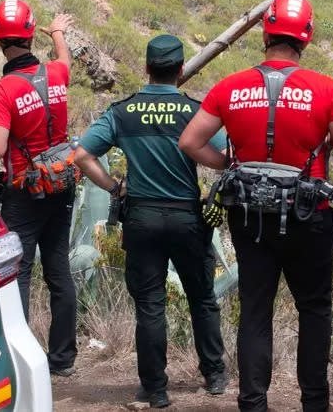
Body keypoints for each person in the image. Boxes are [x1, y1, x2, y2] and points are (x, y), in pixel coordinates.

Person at [179, 0, 333, 412]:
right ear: (307, 36)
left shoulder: (231, 87)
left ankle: (253, 403)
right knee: (314, 310)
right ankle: (314, 403)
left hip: (250, 216)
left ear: (266, 33)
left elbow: (190, 141)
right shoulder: (325, 89)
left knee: (256, 310)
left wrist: (227, 162)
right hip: (309, 217)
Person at [75, 35, 228, 409]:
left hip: (141, 217)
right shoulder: (196, 111)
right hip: (187, 218)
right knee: (202, 297)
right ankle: (215, 375)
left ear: (146, 68)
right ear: (179, 70)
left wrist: (114, 187)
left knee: (150, 305)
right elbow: (227, 154)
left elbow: (82, 155)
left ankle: (155, 390)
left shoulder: (123, 112)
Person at [0, 0, 78, 376]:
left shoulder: (3, 90)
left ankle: (24, 361)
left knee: (19, 271)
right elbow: (65, 63)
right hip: (63, 182)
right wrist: (57, 33)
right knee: (59, 270)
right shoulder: (55, 74)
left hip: (25, 190)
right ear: (29, 33)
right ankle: (63, 359)